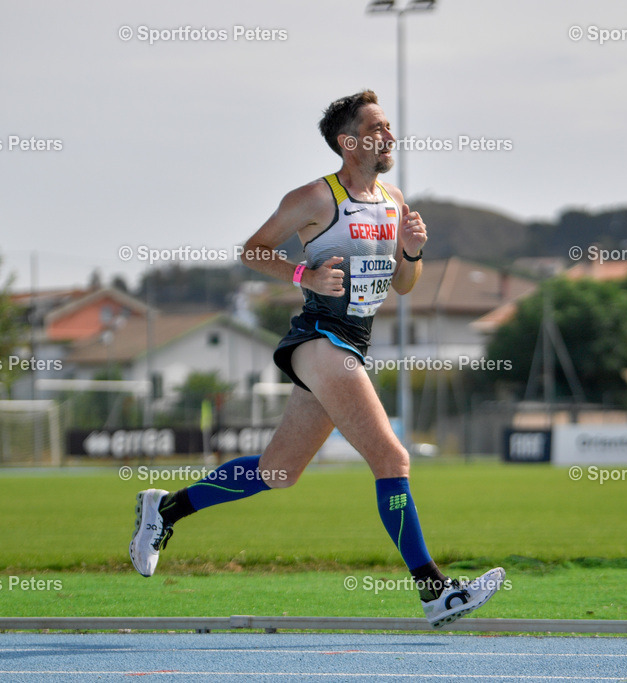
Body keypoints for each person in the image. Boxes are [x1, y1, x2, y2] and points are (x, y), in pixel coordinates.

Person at [130, 90, 505, 628]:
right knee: (392, 459)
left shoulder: (394, 199)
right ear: (348, 143)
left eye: (388, 126)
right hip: (320, 339)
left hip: (354, 341)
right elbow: (253, 251)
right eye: (375, 129)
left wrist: (412, 251)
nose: (389, 136)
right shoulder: (314, 198)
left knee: (278, 472)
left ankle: (165, 509)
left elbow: (404, 285)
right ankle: (436, 592)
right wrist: (303, 275)